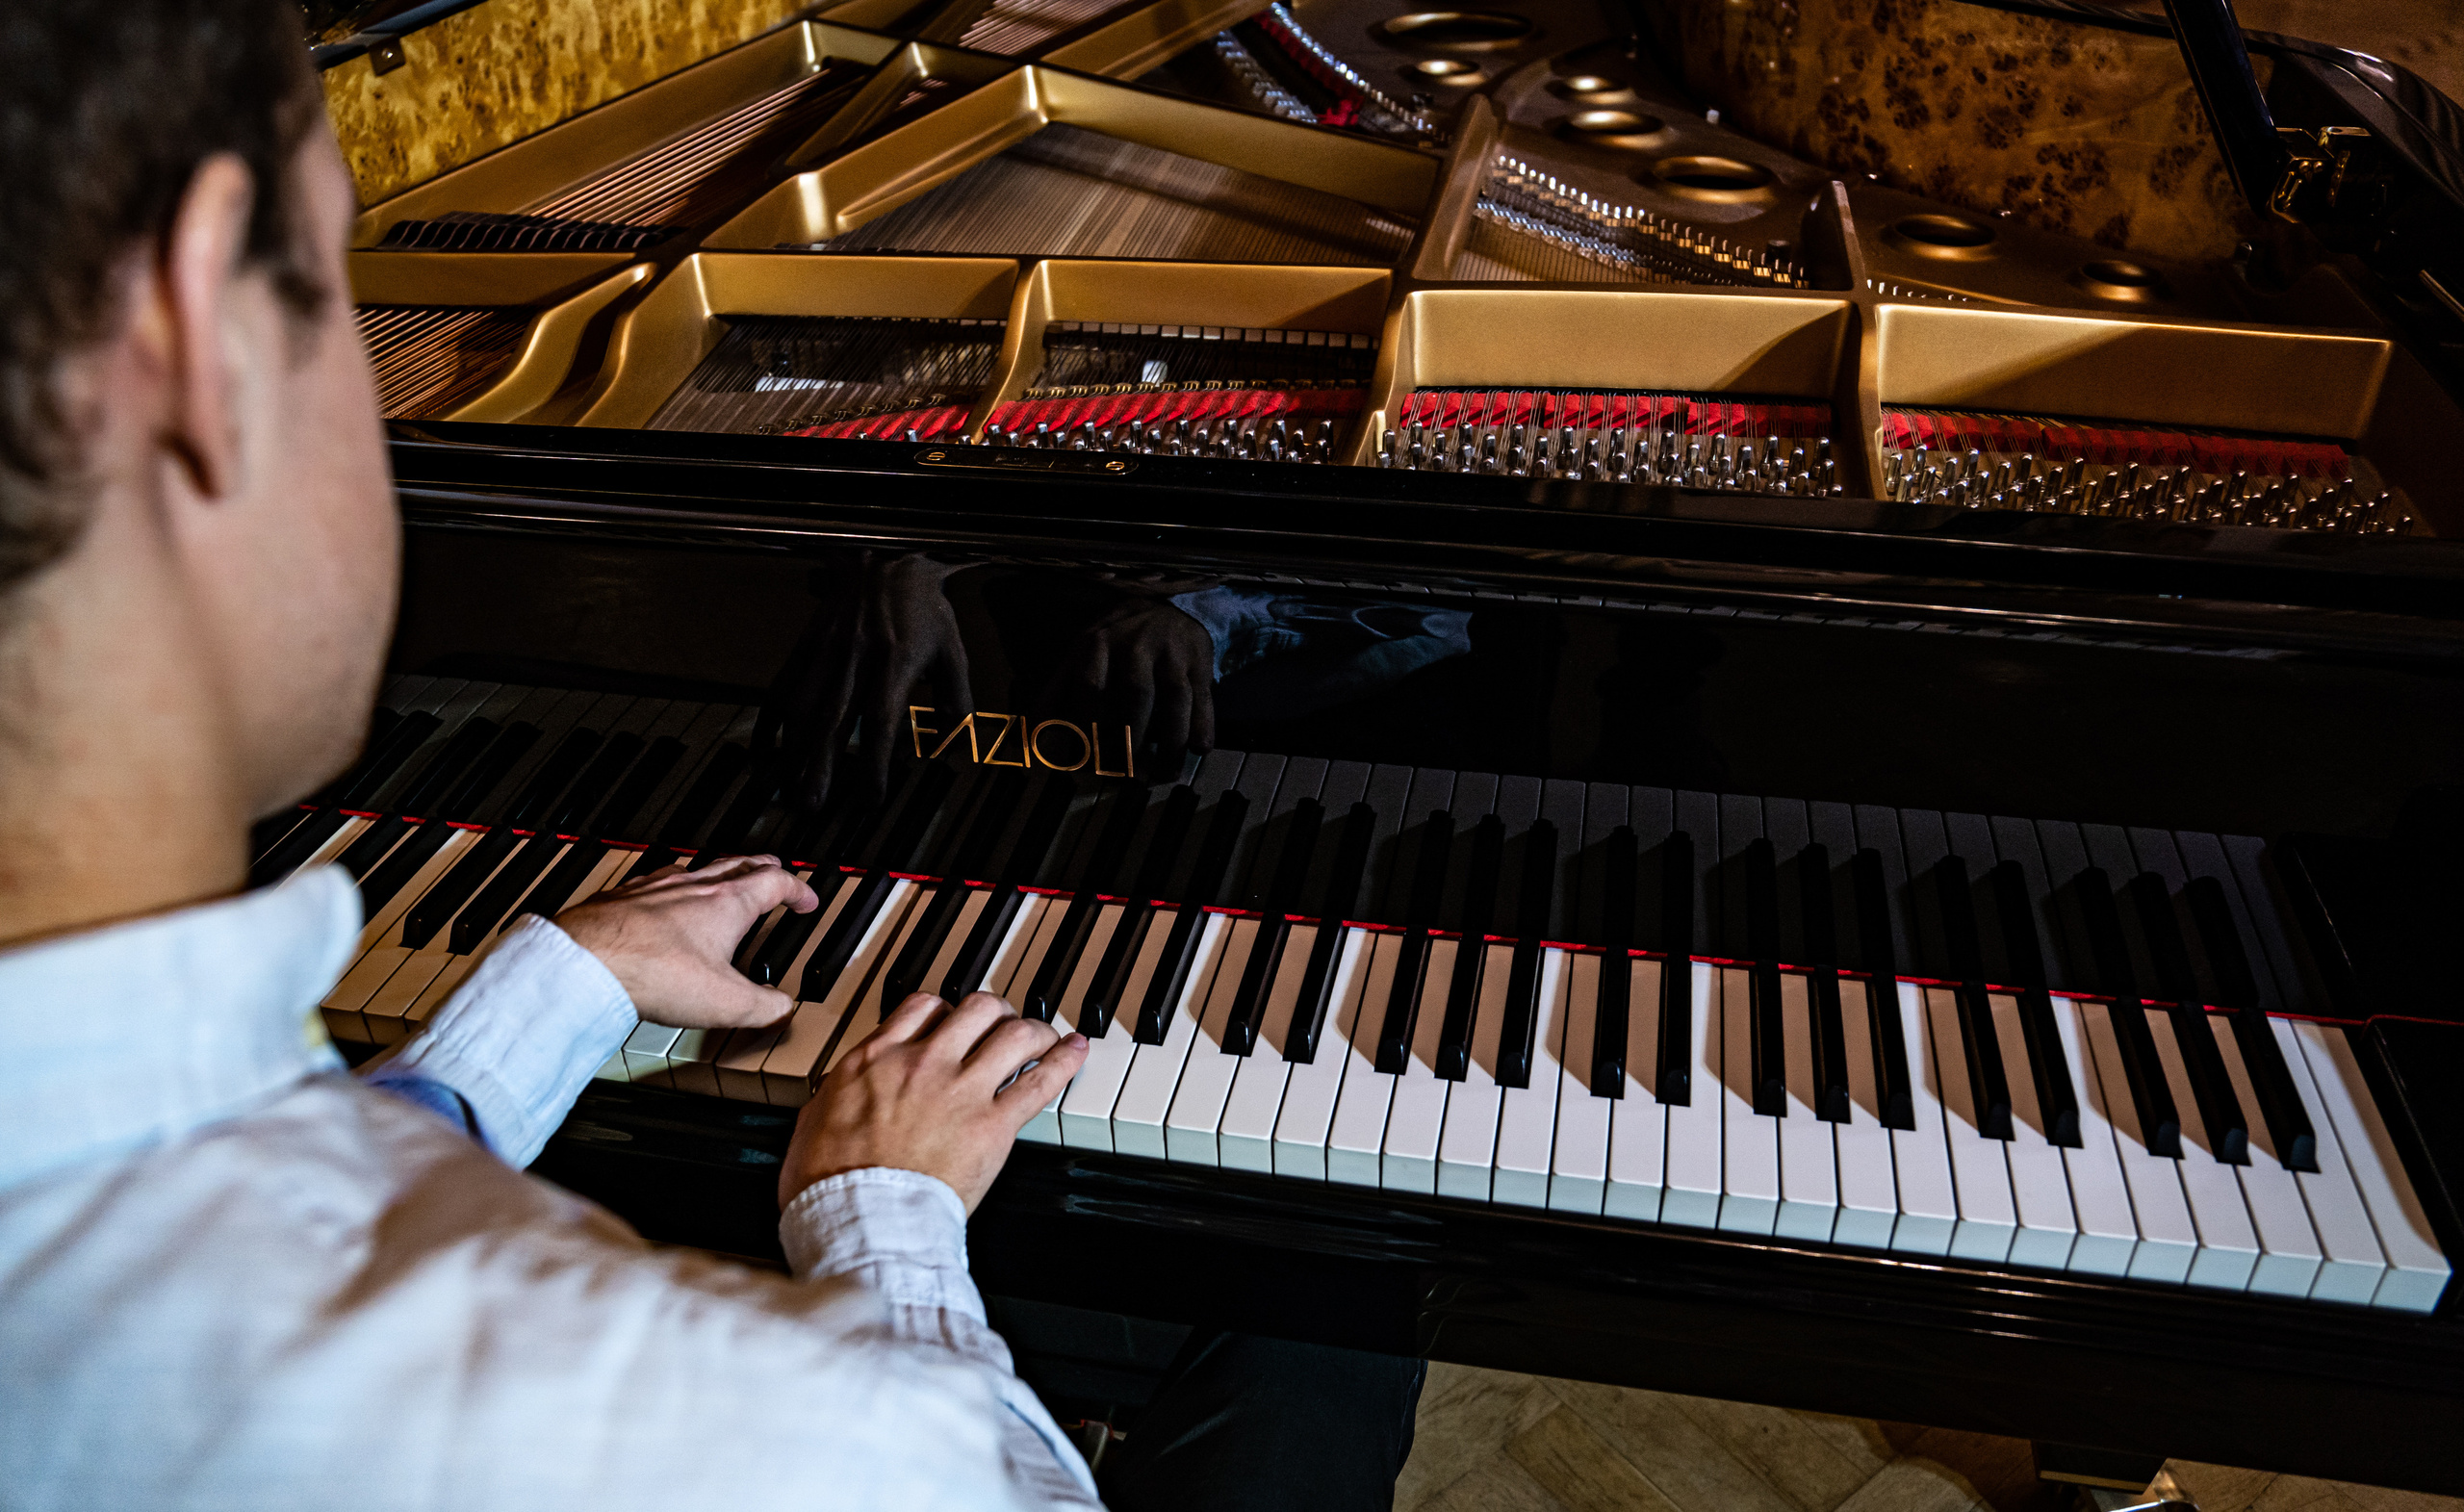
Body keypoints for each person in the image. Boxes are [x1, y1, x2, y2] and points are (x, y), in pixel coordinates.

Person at [0, 5, 1421, 1508]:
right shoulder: (775, 1436)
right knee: (1336, 1321)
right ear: (196, 335)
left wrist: (541, 1004)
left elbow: (204, 1223)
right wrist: (884, 1224)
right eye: (349, 290)